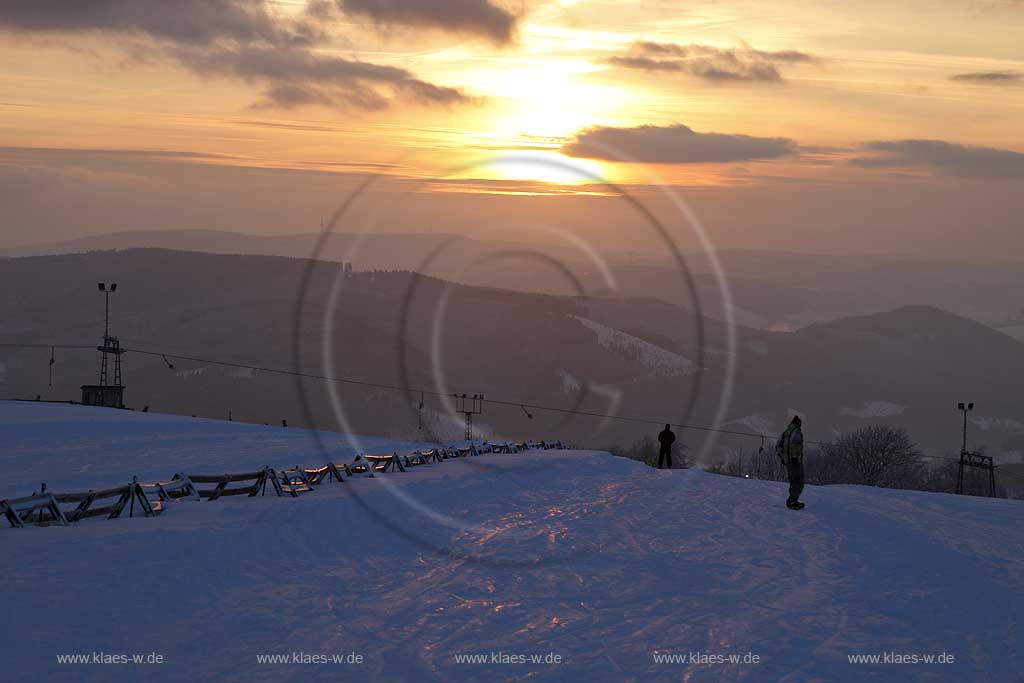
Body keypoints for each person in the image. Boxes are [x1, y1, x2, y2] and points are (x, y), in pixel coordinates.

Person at [777, 416, 805, 509]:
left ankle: (792, 500)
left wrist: (783, 458)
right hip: (795, 461)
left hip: (788, 462)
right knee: (799, 481)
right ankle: (793, 500)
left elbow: (778, 446)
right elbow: (794, 446)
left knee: (793, 481)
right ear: (798, 423)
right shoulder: (796, 433)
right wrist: (794, 457)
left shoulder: (785, 433)